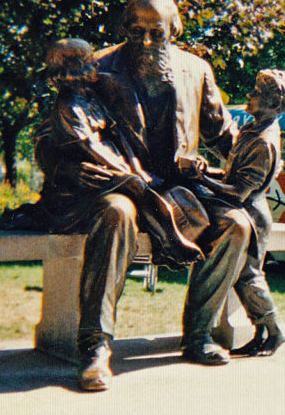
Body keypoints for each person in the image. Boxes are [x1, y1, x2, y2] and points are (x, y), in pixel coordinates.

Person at [68, 0, 249, 391]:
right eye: (136, 31)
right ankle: (95, 346)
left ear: (175, 28)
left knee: (235, 224)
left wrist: (256, 161)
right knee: (116, 213)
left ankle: (198, 333)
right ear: (123, 27)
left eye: (157, 32)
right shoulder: (97, 68)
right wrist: (74, 169)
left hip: (178, 188)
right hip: (120, 183)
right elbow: (56, 132)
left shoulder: (196, 69)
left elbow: (223, 134)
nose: (146, 42)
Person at [42, 37, 203, 269]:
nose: (96, 65)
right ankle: (171, 241)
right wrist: (125, 174)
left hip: (118, 167)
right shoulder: (69, 107)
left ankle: (171, 243)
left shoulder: (93, 98)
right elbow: (91, 148)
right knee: (135, 191)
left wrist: (134, 167)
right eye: (88, 63)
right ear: (72, 71)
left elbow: (118, 135)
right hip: (92, 179)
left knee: (171, 196)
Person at [187, 69, 285, 357]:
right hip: (245, 209)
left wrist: (201, 179)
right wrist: (207, 172)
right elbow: (231, 175)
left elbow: (238, 192)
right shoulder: (252, 129)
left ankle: (275, 331)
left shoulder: (263, 141)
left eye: (258, 92)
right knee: (244, 276)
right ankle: (262, 332)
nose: (250, 95)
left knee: (249, 276)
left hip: (251, 215)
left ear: (274, 104)